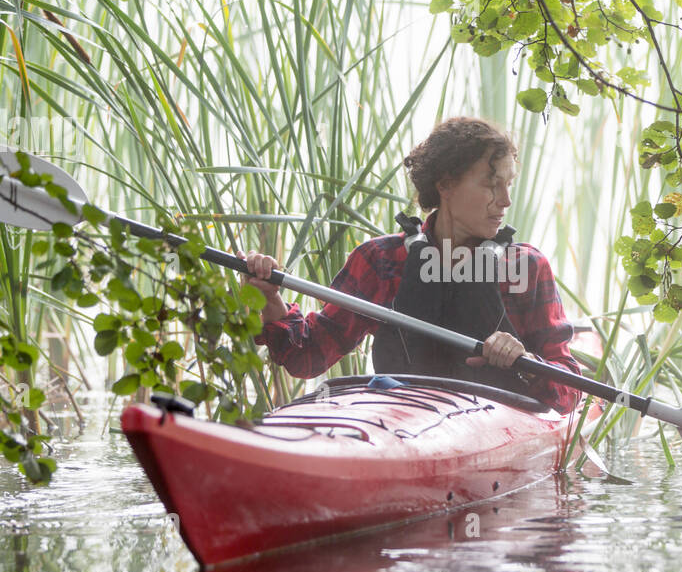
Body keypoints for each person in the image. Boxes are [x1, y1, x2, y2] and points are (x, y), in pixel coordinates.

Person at [240, 117, 583, 412]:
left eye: (508, 185)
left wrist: (531, 366)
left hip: (497, 428)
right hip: (404, 422)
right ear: (445, 184)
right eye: (491, 185)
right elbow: (308, 357)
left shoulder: (525, 266)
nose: (505, 201)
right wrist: (271, 301)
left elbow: (570, 391)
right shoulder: (381, 261)